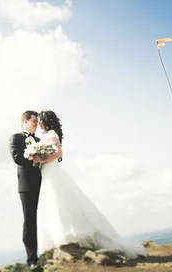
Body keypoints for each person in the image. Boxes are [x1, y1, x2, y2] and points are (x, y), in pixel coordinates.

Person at [35, 110, 148, 259]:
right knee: (51, 201)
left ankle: (66, 235)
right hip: (46, 172)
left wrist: (40, 159)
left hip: (52, 171)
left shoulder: (52, 135)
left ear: (45, 120)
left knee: (57, 199)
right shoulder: (45, 135)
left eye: (40, 119)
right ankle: (56, 237)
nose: (38, 122)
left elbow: (58, 153)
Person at [9, 110, 43, 271]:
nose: (37, 124)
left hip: (43, 184)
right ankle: (32, 261)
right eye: (34, 121)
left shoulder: (40, 140)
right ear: (26, 121)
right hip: (27, 186)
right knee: (30, 222)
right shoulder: (16, 138)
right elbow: (17, 158)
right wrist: (34, 158)